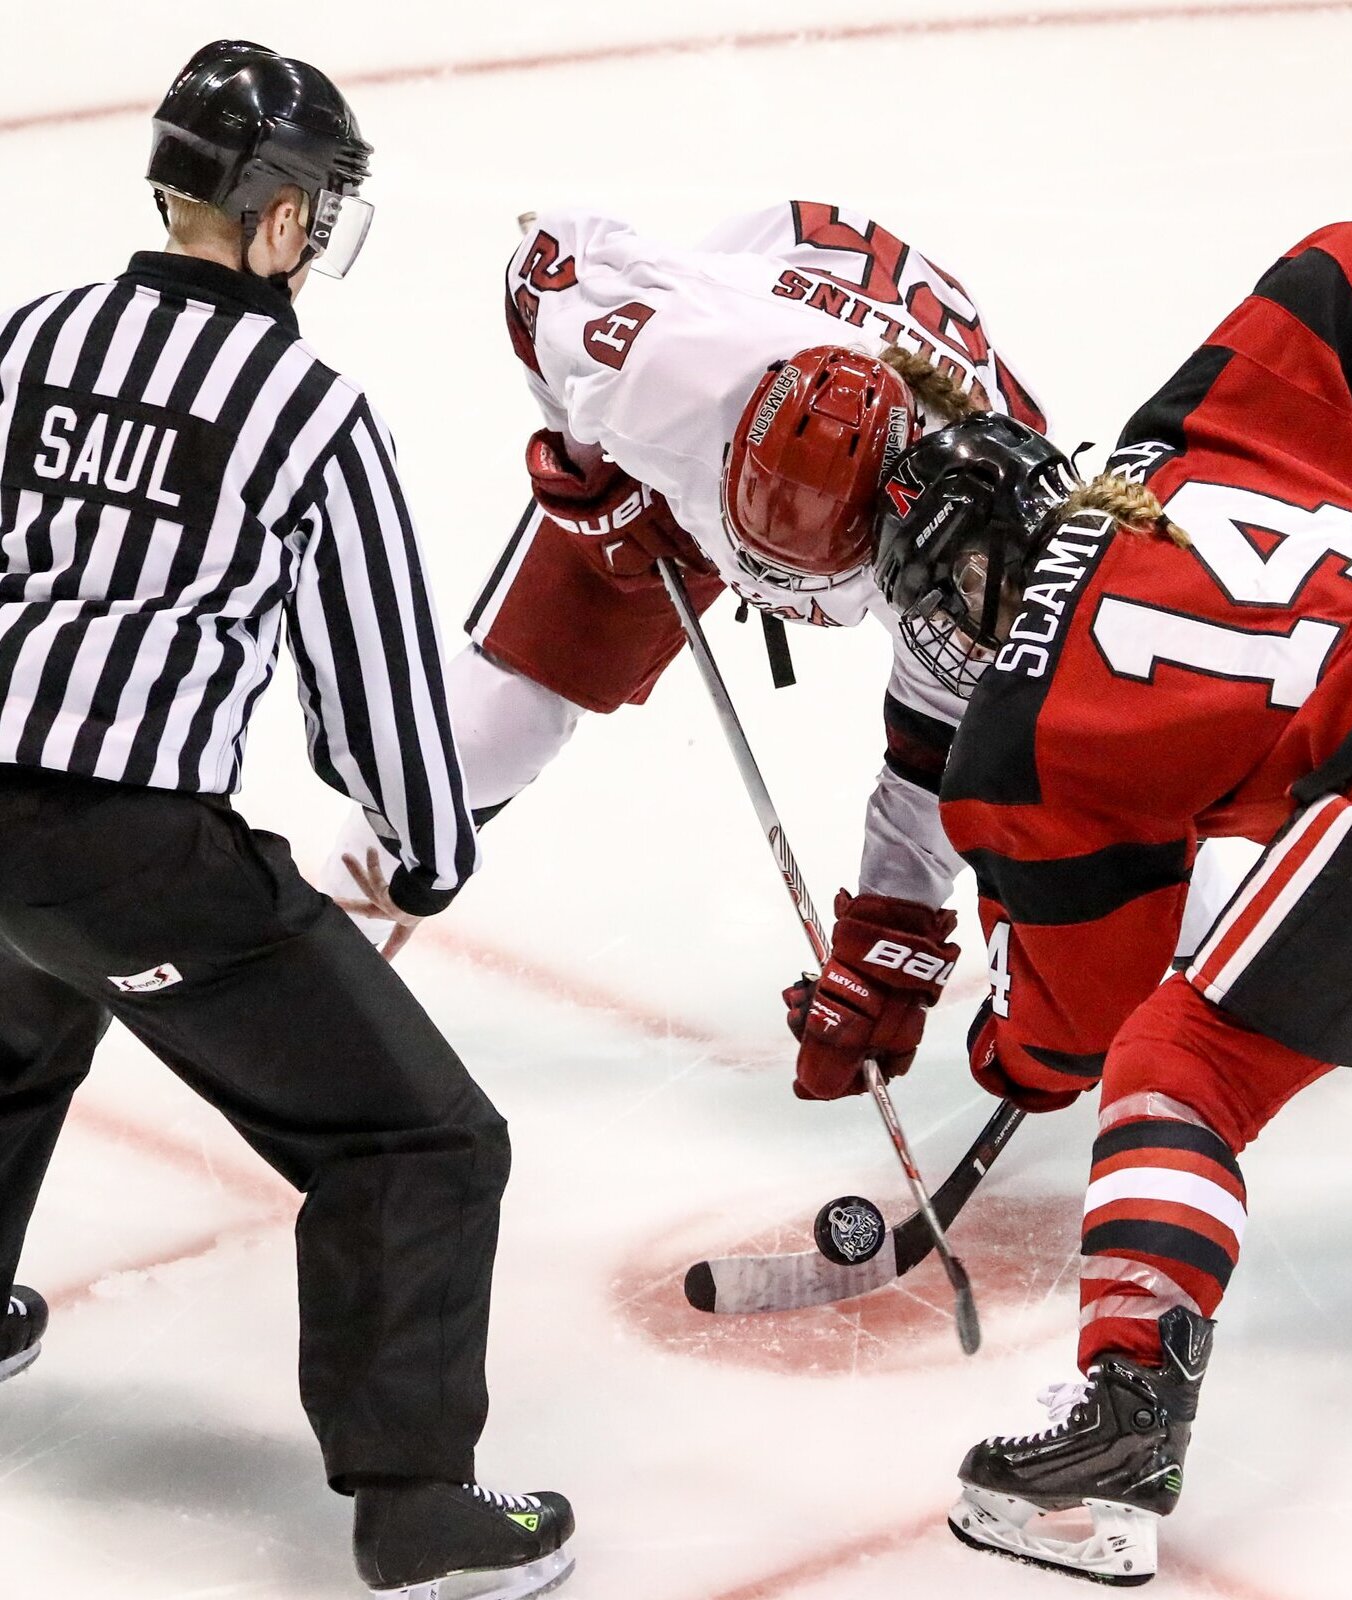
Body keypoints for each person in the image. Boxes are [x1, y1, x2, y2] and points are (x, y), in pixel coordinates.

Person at [868, 218, 1352, 1584]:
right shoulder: (1191, 416)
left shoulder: (1014, 732)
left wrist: (1001, 1053)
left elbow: (1081, 1026)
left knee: (1178, 1067)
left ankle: (1120, 1437)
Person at [0, 41, 573, 1600]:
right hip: (140, 853)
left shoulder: (34, 340)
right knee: (421, 1140)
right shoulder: (303, 408)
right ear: (266, 213)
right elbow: (372, 678)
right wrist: (433, 851)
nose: (315, 233)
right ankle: (422, 1515)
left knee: (21, 1012)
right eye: (311, 205)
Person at [325, 200, 1058, 1101]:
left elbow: (929, 762)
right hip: (703, 437)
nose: (751, 579)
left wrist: (886, 938)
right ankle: (313, 959)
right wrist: (590, 462)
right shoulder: (672, 366)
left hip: (860, 460)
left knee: (1025, 759)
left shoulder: (968, 536)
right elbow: (546, 259)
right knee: (482, 742)